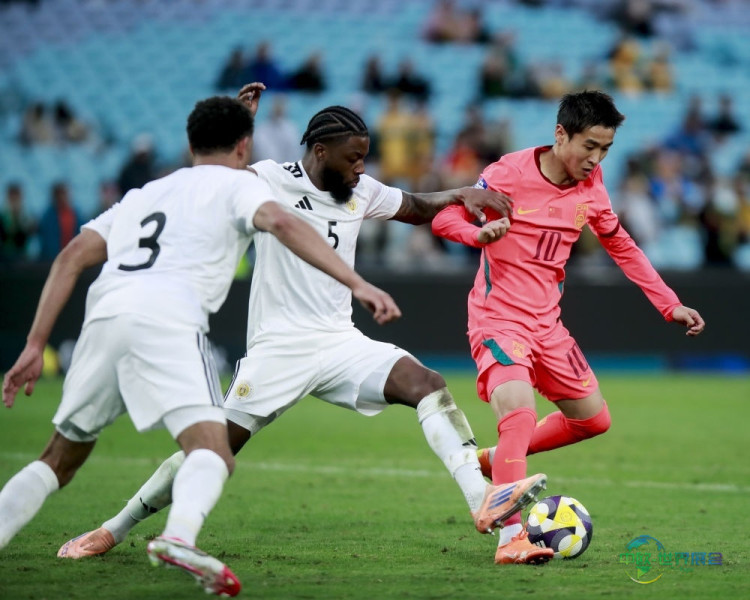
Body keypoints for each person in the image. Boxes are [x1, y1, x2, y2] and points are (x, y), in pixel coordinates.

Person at [54, 82, 547, 564]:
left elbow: (414, 207)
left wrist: (462, 194)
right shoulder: (268, 179)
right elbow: (213, 180)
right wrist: (238, 126)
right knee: (211, 450)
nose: (361, 167)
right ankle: (114, 528)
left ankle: (482, 500)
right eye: (353, 158)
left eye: (364, 157)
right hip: (278, 350)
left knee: (426, 384)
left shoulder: (360, 189)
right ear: (319, 151)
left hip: (339, 343)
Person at [0, 95, 402, 596]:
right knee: (213, 452)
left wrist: (34, 344)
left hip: (104, 317)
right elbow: (283, 223)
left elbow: (71, 257)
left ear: (191, 143)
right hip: (168, 320)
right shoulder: (241, 186)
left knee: (57, 460)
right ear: (244, 146)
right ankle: (178, 538)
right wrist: (357, 283)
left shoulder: (146, 192)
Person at [431, 90, 705, 566]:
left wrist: (670, 304)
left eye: (605, 149)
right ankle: (510, 537)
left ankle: (494, 461)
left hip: (549, 325)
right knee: (519, 413)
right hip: (499, 318)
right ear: (561, 135)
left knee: (593, 420)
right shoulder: (507, 174)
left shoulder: (592, 187)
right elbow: (445, 216)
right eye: (589, 146)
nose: (596, 159)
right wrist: (476, 234)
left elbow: (622, 246)